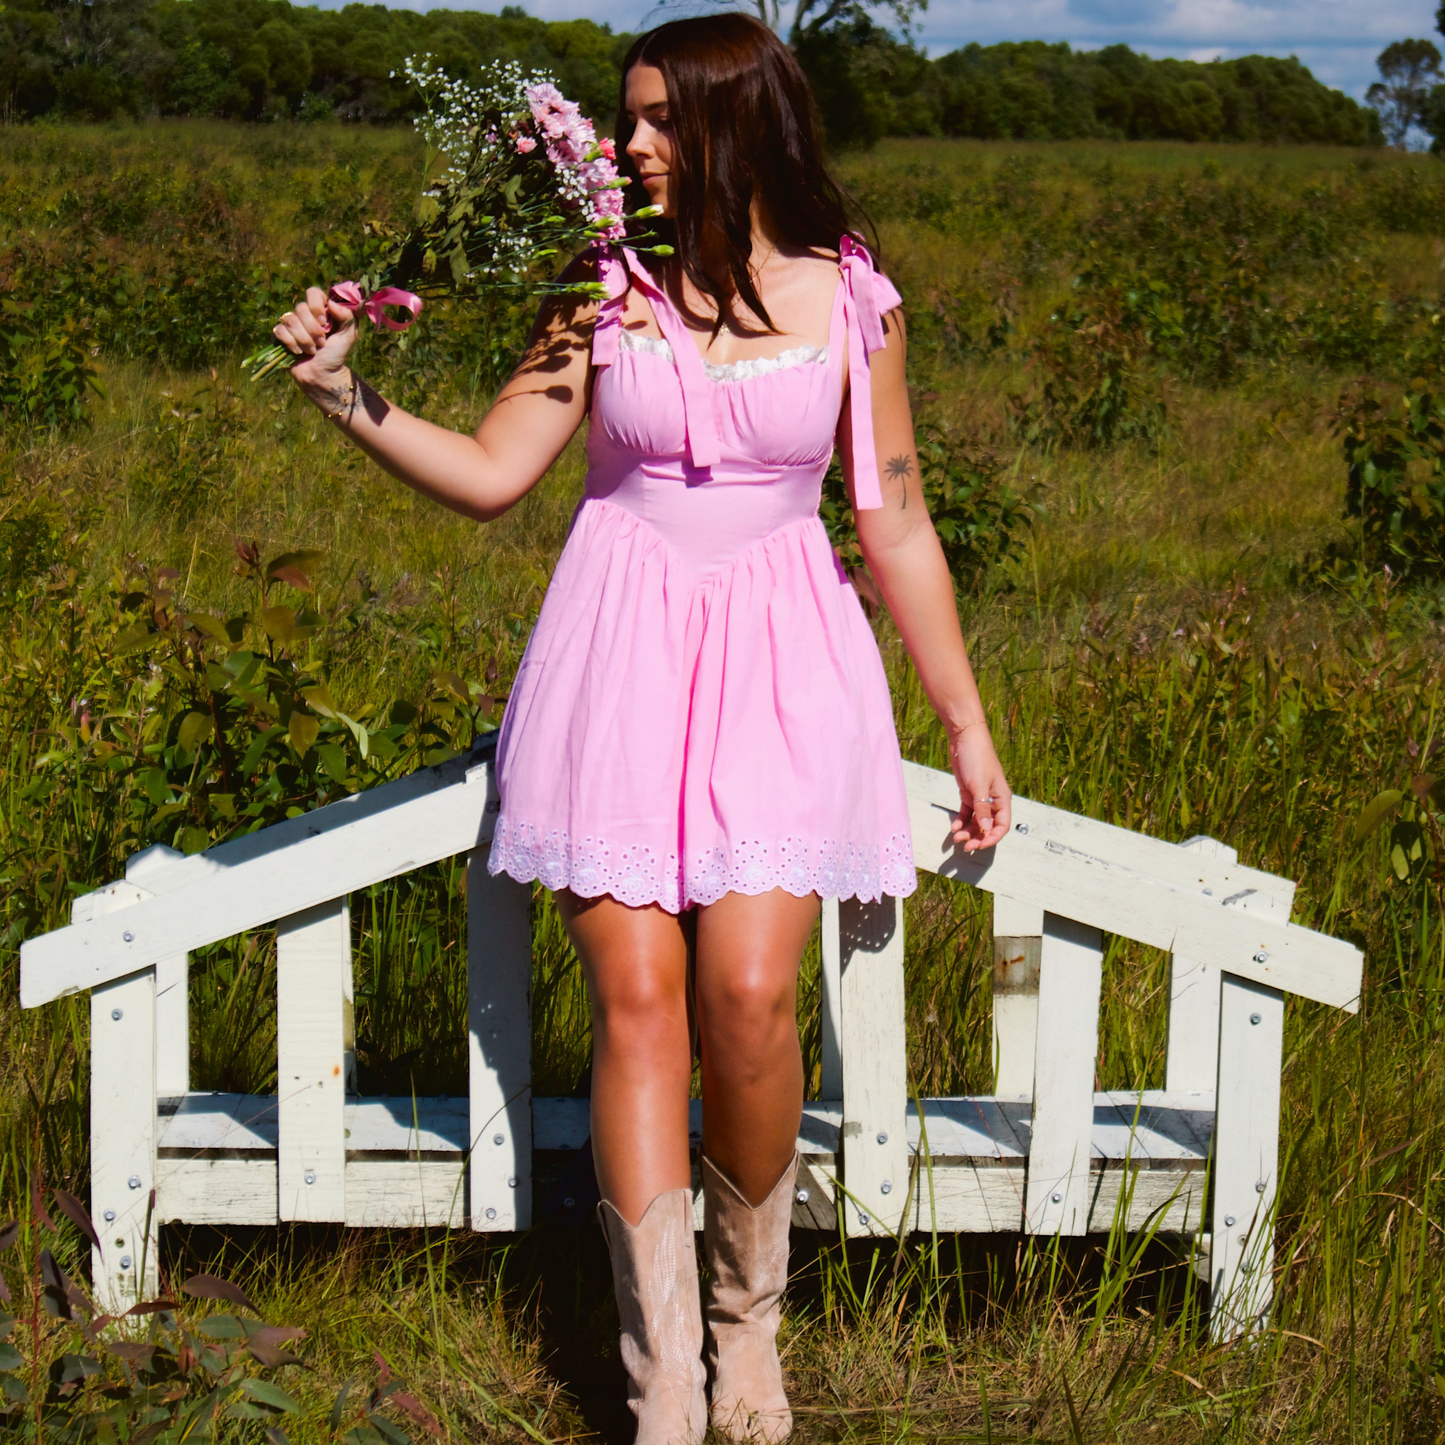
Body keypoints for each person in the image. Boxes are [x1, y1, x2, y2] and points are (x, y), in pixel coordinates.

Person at [271, 13, 1011, 1443]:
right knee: (640, 1005)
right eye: (626, 118)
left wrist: (965, 724)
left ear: (746, 123)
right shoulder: (598, 297)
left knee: (745, 995)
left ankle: (750, 1330)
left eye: (664, 119)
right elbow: (495, 473)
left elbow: (896, 513)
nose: (632, 147)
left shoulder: (854, 300)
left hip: (789, 659)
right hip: (618, 654)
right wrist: (341, 392)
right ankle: (664, 1371)